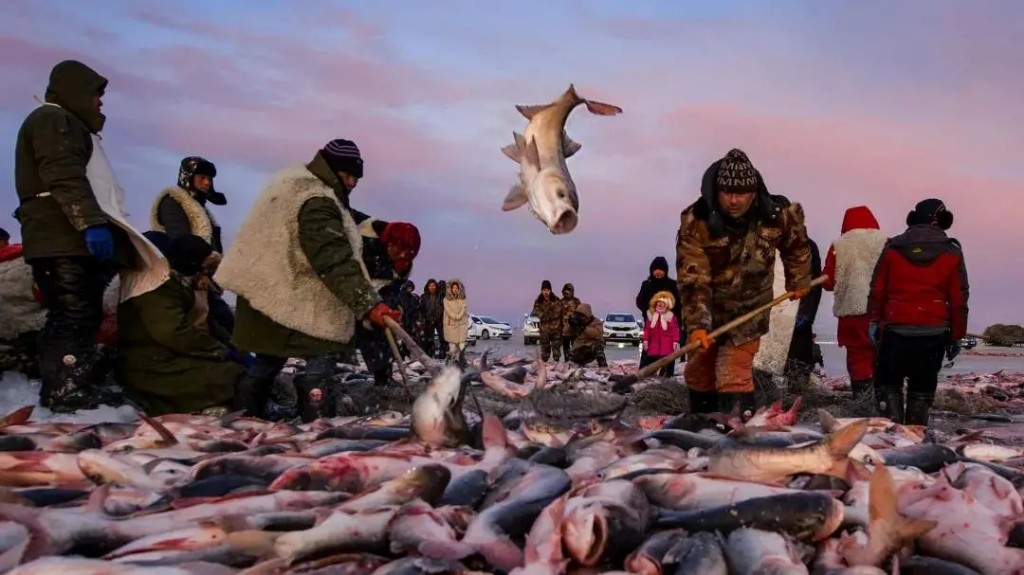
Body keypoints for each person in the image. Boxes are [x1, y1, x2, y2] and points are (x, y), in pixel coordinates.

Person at [215, 138, 400, 422]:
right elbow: (333, 258)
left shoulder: (296, 183)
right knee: (320, 356)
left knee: (268, 357)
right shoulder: (316, 200)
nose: (352, 183)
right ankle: (318, 420)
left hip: (265, 293)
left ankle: (245, 415)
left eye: (357, 177)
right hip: (287, 296)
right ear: (333, 169)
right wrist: (369, 305)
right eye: (348, 175)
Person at [13, 60, 140, 412]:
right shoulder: (54, 120)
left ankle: (70, 381)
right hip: (63, 238)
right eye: (96, 93)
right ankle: (65, 390)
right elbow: (64, 176)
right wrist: (89, 222)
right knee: (73, 313)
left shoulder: (72, 127)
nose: (100, 101)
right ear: (75, 91)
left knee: (79, 314)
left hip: (67, 237)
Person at [676, 149, 811, 419]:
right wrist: (698, 325)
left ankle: (737, 428)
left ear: (754, 191)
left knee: (733, 369)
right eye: (727, 193)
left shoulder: (777, 214)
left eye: (742, 194)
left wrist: (799, 278)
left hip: (751, 306)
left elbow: (796, 247)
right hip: (709, 306)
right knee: (699, 368)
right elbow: (693, 276)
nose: (734, 201)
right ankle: (702, 424)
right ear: (717, 191)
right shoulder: (697, 220)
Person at [116, 233, 246, 416]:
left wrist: (234, 347)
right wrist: (219, 351)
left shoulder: (183, 283)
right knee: (232, 377)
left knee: (241, 373)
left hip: (174, 354)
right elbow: (172, 333)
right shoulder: (155, 287)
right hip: (152, 363)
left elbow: (210, 323)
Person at [867, 199, 968, 426]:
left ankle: (891, 437)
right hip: (933, 332)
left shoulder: (892, 248)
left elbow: (877, 289)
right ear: (941, 220)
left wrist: (874, 320)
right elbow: (959, 299)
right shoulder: (952, 252)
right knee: (922, 387)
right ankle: (915, 436)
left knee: (888, 385)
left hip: (895, 329)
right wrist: (956, 335)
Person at [150, 156, 234, 334]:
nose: (207, 183)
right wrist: (202, 267)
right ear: (187, 177)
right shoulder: (173, 201)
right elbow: (180, 239)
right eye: (202, 177)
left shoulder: (200, 207)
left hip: (204, 279)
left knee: (224, 325)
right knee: (217, 326)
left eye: (210, 179)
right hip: (182, 278)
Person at [822, 206, 888, 401]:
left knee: (859, 358)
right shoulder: (887, 242)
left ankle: (863, 403)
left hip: (853, 312)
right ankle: (884, 402)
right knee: (882, 356)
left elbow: (828, 281)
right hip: (883, 311)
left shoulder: (840, 245)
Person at [351, 218, 421, 386]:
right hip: (348, 295)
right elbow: (347, 277)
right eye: (399, 250)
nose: (403, 256)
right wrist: (368, 305)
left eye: (408, 254)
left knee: (380, 335)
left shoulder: (403, 263)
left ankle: (383, 378)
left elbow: (392, 287)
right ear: (388, 242)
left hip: (374, 305)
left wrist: (391, 306)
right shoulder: (360, 241)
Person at [784, 238, 823, 392]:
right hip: (773, 314)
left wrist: (806, 314)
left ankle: (796, 401)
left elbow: (815, 284)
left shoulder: (806, 245)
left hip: (797, 313)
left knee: (798, 364)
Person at [636, 256, 683, 376]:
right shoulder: (647, 284)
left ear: (665, 270)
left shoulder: (672, 284)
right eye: (655, 269)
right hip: (651, 323)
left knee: (668, 350)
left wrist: (677, 320)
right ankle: (643, 373)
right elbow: (639, 301)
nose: (658, 272)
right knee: (649, 349)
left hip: (668, 323)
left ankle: (667, 374)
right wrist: (648, 311)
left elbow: (678, 304)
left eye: (661, 269)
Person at [642, 290, 681, 375]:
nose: (660, 304)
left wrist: (675, 341)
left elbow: (675, 330)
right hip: (653, 346)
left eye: (663, 302)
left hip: (667, 346)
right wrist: (645, 340)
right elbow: (647, 329)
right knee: (650, 363)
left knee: (669, 363)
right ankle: (648, 375)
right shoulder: (651, 316)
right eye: (658, 302)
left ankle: (668, 376)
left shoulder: (670, 317)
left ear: (667, 304)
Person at [568, 303, 608, 367]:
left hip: (591, 348)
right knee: (572, 355)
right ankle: (580, 363)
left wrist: (584, 328)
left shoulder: (596, 322)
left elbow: (597, 334)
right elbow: (569, 335)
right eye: (579, 316)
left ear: (587, 316)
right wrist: (571, 325)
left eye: (582, 316)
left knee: (597, 345)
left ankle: (602, 365)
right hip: (580, 348)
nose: (581, 318)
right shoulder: (577, 323)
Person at [532, 280, 562, 362]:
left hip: (555, 329)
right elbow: (536, 311)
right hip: (544, 329)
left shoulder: (556, 300)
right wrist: (542, 315)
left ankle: (556, 362)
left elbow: (557, 312)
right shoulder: (538, 301)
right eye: (544, 290)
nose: (546, 292)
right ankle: (545, 363)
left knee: (556, 348)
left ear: (550, 290)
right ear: (541, 290)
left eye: (547, 290)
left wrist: (546, 316)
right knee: (545, 348)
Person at [443, 279, 469, 367]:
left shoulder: (463, 299)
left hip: (461, 324)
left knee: (462, 345)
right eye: (453, 288)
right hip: (451, 324)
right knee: (452, 345)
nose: (455, 289)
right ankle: (452, 362)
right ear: (450, 289)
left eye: (457, 288)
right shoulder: (446, 299)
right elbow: (448, 310)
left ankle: (461, 361)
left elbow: (464, 308)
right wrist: (455, 316)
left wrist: (459, 315)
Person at [419, 279, 444, 358]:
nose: (432, 287)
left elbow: (443, 307)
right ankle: (429, 353)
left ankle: (442, 353)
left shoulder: (440, 296)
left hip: (439, 320)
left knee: (442, 338)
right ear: (427, 287)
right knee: (429, 338)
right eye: (430, 286)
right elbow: (421, 309)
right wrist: (422, 320)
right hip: (428, 320)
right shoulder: (424, 297)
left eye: (434, 286)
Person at [559, 283, 580, 359]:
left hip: (575, 329)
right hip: (565, 329)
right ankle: (567, 361)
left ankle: (575, 360)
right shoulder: (560, 302)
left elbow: (581, 313)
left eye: (570, 292)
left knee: (576, 347)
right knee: (566, 346)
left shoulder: (576, 301)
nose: (568, 294)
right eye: (566, 292)